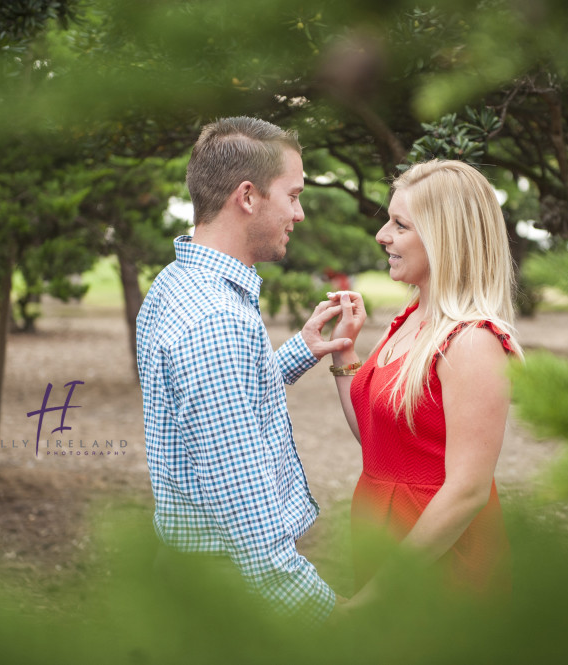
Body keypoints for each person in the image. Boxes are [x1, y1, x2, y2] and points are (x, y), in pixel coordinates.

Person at [135, 117, 353, 623]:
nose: (299, 213)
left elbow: (219, 409)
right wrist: (333, 619)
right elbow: (252, 526)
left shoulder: (178, 281)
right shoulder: (215, 321)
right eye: (293, 195)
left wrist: (301, 349)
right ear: (248, 196)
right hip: (227, 588)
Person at [324, 159, 523, 602]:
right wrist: (345, 355)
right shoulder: (410, 320)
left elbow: (467, 492)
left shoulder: (472, 342)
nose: (382, 235)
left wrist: (372, 599)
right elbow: (380, 442)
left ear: (443, 239)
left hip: (440, 565)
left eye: (400, 225)